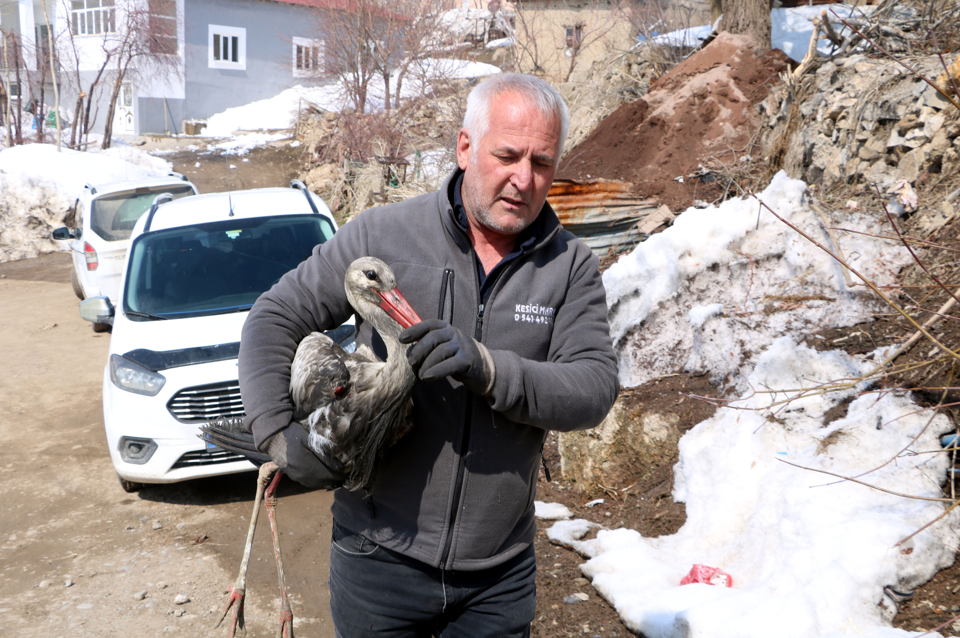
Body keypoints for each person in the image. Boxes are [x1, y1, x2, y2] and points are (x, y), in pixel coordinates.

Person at [238, 73, 620, 637]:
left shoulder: (569, 267)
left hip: (498, 579)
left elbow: (591, 389)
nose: (524, 179)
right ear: (465, 147)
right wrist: (273, 431)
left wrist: (488, 369)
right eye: (507, 155)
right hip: (377, 562)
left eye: (542, 162)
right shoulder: (383, 235)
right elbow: (274, 316)